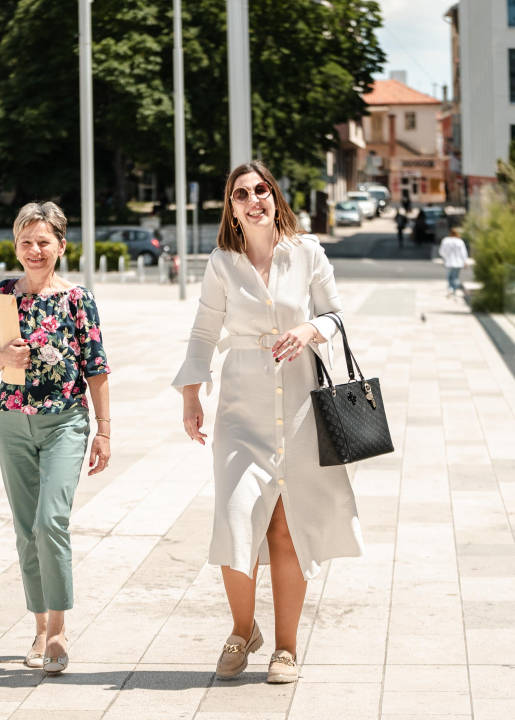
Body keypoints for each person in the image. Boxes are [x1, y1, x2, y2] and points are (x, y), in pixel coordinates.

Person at [173, 161, 363, 685]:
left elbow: (337, 316)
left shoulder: (307, 252)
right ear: (231, 208)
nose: (253, 199)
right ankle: (242, 629)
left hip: (301, 408)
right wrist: (191, 394)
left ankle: (285, 649)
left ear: (275, 197)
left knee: (286, 528)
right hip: (241, 410)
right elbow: (203, 330)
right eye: (241, 194)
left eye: (261, 190)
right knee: (235, 520)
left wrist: (307, 329)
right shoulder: (222, 262)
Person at [0, 201, 112, 675]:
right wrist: (3, 357)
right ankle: (37, 627)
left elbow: (96, 368)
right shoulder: (2, 295)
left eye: (43, 242)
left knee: (50, 520)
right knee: (24, 527)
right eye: (26, 242)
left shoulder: (77, 299)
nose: (34, 250)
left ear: (60, 245)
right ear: (16, 246)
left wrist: (104, 431)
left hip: (66, 422)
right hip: (10, 422)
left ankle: (58, 629)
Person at [439, 225, 469, 297]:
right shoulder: (460, 241)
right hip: (458, 262)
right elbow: (463, 252)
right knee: (455, 277)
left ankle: (450, 289)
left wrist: (445, 257)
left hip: (449, 261)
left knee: (449, 276)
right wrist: (465, 261)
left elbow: (441, 252)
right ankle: (454, 290)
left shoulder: (446, 240)